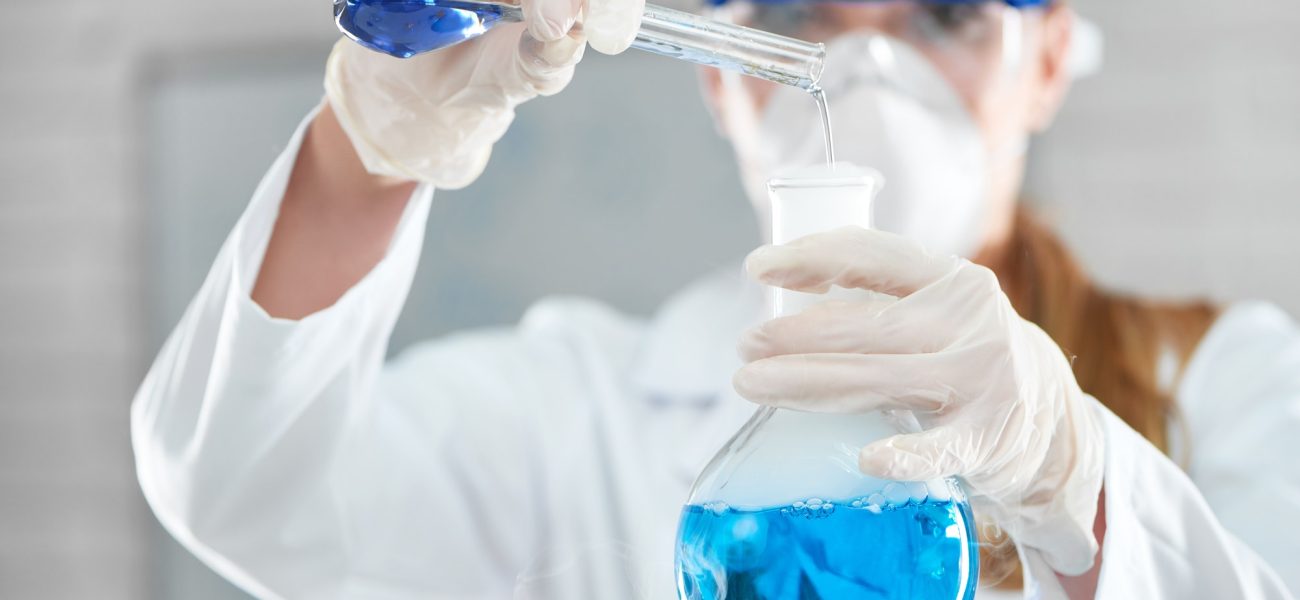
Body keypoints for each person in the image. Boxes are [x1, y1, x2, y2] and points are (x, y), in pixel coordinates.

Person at [131, 0, 1300, 598]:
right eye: (798, 13)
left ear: (1046, 60)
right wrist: (367, 152)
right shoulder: (570, 414)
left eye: (943, 13)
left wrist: (1077, 482)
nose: (866, 66)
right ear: (712, 69)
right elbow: (243, 489)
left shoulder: (1225, 380)